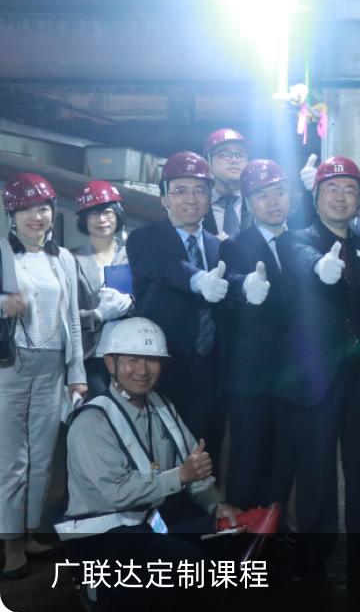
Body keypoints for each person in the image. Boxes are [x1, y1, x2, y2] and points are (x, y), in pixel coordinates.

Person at [56, 317, 256, 607]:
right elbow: (118, 493)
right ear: (111, 364)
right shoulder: (91, 423)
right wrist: (181, 476)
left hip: (146, 522)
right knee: (191, 567)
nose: (142, 370)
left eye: (152, 360)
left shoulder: (162, 406)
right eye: (132, 360)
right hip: (100, 538)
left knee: (228, 541)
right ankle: (100, 592)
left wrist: (217, 505)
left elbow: (194, 467)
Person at [274, 156, 360, 584]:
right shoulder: (295, 240)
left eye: (349, 189)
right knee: (316, 474)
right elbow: (299, 258)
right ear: (316, 196)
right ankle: (313, 558)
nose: (341, 197)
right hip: (313, 380)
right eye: (331, 188)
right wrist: (317, 265)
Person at [0, 174, 86, 579]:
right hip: (10, 366)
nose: (37, 216)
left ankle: (31, 531)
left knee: (42, 458)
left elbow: (72, 319)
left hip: (53, 365)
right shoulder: (2, 252)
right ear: (12, 214)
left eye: (44, 207)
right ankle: (10, 545)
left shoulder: (63, 258)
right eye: (27, 209)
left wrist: (76, 373)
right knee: (12, 460)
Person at [127, 152, 229, 464]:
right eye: (180, 191)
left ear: (210, 197)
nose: (191, 199)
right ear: (164, 198)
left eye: (199, 190)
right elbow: (165, 268)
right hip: (164, 364)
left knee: (208, 447)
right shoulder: (143, 239)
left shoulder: (219, 246)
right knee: (163, 452)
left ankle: (208, 497)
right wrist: (198, 279)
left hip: (212, 367)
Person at [218, 160, 289, 510]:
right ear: (248, 203)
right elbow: (231, 283)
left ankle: (274, 523)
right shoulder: (235, 245)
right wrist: (245, 287)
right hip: (251, 373)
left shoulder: (303, 241)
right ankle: (244, 526)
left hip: (293, 373)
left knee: (283, 455)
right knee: (247, 455)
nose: (273, 201)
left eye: (279, 192)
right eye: (262, 195)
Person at [72, 180, 133, 398]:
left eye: (108, 212)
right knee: (97, 411)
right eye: (93, 214)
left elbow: (151, 301)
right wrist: (97, 315)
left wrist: (131, 304)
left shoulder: (133, 256)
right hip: (92, 356)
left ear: (118, 215)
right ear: (83, 219)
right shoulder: (70, 259)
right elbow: (63, 315)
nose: (101, 219)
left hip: (130, 353)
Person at [201, 128, 253, 239]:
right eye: (225, 154)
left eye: (240, 155)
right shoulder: (196, 205)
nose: (234, 160)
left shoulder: (258, 203)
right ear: (208, 162)